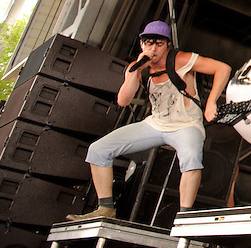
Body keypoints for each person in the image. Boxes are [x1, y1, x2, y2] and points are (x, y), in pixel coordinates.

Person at [66, 20, 231, 220]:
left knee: (191, 157)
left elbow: (222, 68)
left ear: (167, 45)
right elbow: (123, 100)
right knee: (98, 150)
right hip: (155, 124)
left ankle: (184, 216)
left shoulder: (181, 59)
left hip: (186, 125)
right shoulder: (138, 68)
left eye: (158, 44)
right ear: (142, 44)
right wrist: (135, 70)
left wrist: (212, 102)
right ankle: (106, 208)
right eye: (149, 43)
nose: (153, 49)